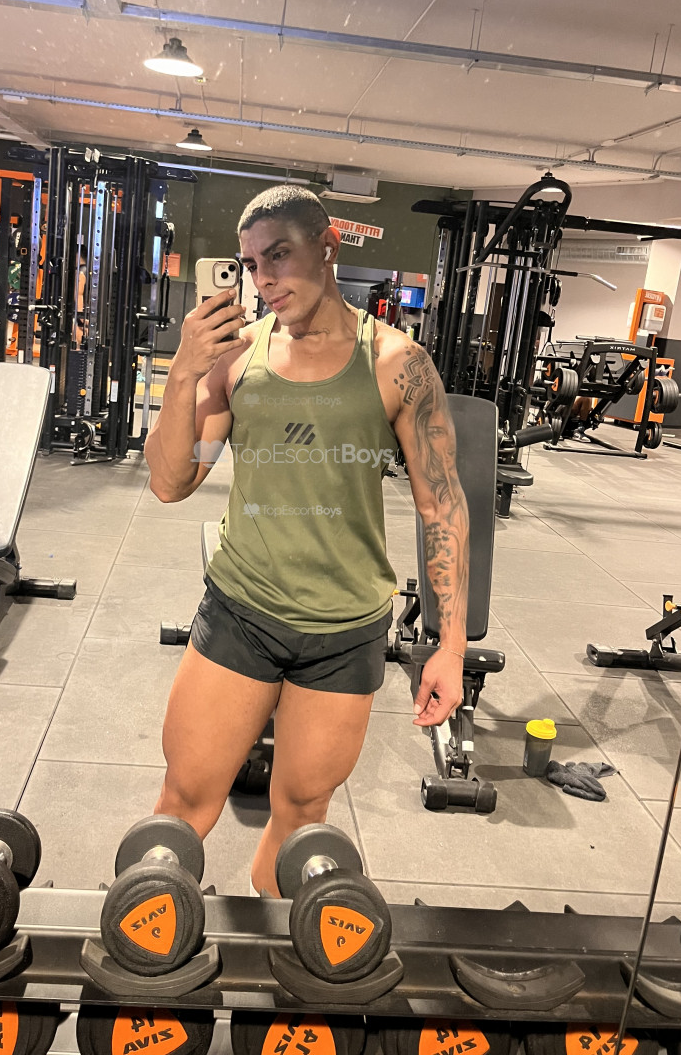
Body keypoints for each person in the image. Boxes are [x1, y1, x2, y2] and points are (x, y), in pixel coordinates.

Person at [144, 186, 469, 896]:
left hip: (346, 631)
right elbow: (171, 483)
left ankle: (268, 954)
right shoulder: (237, 361)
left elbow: (441, 505)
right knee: (182, 804)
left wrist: (449, 645)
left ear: (328, 247)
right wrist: (184, 374)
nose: (263, 279)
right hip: (242, 613)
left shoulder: (398, 363)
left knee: (301, 818)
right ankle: (153, 937)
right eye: (251, 264)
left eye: (279, 255)